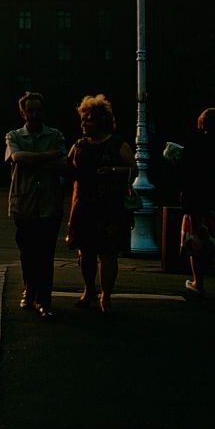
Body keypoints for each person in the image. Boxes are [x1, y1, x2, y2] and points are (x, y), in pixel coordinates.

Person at [66, 94, 135, 315]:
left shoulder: (117, 144)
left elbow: (134, 169)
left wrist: (113, 171)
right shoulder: (79, 145)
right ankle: (89, 290)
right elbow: (66, 167)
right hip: (84, 205)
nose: (84, 124)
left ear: (102, 121)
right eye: (83, 120)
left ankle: (106, 294)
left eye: (89, 120)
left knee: (107, 253)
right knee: (85, 252)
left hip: (109, 207)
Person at [5, 92, 67, 318]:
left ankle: (44, 300)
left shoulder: (55, 134)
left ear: (43, 111)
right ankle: (29, 290)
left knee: (46, 254)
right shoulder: (13, 135)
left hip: (50, 204)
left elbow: (63, 161)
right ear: (22, 112)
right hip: (25, 203)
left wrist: (33, 159)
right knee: (28, 253)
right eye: (29, 110)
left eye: (37, 109)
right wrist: (47, 156)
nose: (34, 114)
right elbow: (17, 158)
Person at [179, 107, 215, 297]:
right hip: (213, 202)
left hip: (198, 203)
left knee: (196, 244)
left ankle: (198, 282)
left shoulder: (194, 144)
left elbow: (187, 176)